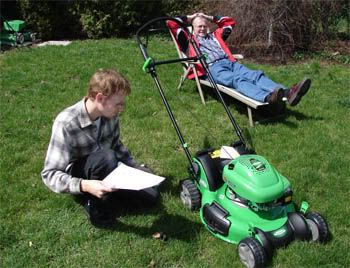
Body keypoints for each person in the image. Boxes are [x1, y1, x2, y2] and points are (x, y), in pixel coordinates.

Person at [41, 69, 159, 228]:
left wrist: (135, 168)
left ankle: (109, 191)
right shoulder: (66, 123)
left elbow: (117, 146)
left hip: (109, 167)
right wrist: (85, 185)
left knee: (151, 198)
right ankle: (93, 202)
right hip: (82, 176)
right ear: (100, 98)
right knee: (107, 157)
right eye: (118, 104)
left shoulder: (110, 115)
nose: (122, 108)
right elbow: (50, 175)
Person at [168, 13, 311, 107]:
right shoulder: (188, 40)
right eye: (199, 26)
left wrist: (208, 17)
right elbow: (170, 22)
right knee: (237, 80)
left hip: (230, 63)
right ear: (193, 27)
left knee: (256, 75)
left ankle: (288, 93)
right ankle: (268, 98)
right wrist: (191, 17)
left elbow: (229, 22)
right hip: (213, 68)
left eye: (205, 26)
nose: (203, 29)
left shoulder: (216, 35)